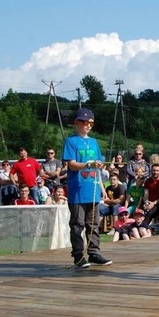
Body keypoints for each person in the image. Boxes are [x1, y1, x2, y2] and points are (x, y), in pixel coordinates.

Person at [62, 108, 112, 268]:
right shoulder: (71, 141)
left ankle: (94, 252)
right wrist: (88, 164)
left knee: (93, 223)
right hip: (77, 190)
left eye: (91, 123)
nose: (88, 125)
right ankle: (78, 256)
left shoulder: (94, 142)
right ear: (77, 122)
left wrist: (102, 187)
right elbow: (71, 164)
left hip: (93, 188)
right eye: (85, 122)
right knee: (78, 224)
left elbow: (98, 167)